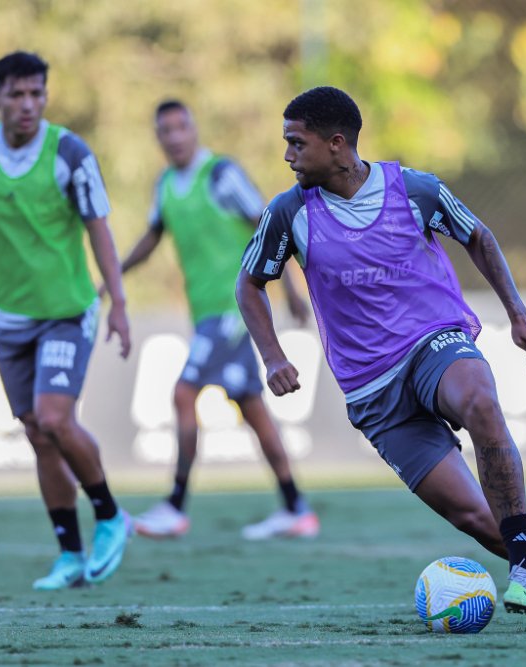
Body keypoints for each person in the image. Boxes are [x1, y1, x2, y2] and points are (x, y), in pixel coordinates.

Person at [237, 86, 526, 628]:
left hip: (431, 341)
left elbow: (479, 237)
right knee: (473, 516)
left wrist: (518, 314)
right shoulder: (289, 213)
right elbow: (249, 284)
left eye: (295, 143)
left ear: (336, 144)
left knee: (480, 403)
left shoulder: (415, 190)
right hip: (373, 391)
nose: (287, 156)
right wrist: (273, 355)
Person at [0, 52, 134, 590]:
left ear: (46, 97)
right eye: (17, 94)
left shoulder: (69, 153)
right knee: (38, 434)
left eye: (37, 93)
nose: (28, 104)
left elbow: (99, 229)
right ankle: (70, 555)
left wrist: (119, 302)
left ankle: (110, 515)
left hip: (66, 311)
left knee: (55, 419)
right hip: (9, 318)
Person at [116, 100, 319, 540]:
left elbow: (270, 226)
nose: (173, 136)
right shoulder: (167, 184)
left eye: (180, 127)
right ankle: (296, 508)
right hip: (205, 312)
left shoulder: (221, 175)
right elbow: (152, 236)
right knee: (253, 409)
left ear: (194, 129)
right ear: (158, 138)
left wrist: (289, 290)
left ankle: (174, 505)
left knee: (184, 393)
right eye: (164, 130)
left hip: (234, 310)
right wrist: (115, 273)